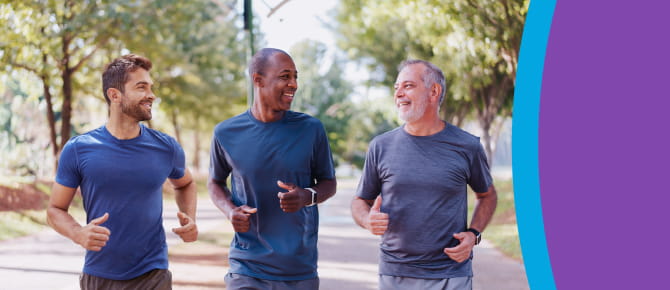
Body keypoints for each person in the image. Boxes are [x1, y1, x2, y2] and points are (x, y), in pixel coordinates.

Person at [46, 54, 198, 290]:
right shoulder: (78, 149)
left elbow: (185, 183)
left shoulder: (165, 147)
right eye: (141, 87)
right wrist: (77, 233)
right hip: (99, 276)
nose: (151, 95)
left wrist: (189, 216)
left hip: (153, 274)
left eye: (151, 87)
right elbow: (55, 209)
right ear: (115, 95)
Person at [351, 59, 498, 290]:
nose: (398, 93)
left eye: (408, 86)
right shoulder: (381, 146)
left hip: (451, 273)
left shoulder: (467, 146)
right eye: (396, 87)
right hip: (395, 273)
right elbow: (361, 201)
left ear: (434, 91)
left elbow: (487, 195)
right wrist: (367, 220)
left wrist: (474, 235)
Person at [208, 47, 337, 289]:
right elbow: (214, 182)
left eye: (296, 76)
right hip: (246, 268)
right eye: (285, 76)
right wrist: (230, 211)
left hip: (298, 270)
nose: (294, 84)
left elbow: (329, 183)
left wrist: (306, 196)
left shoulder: (311, 130)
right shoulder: (226, 133)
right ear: (258, 80)